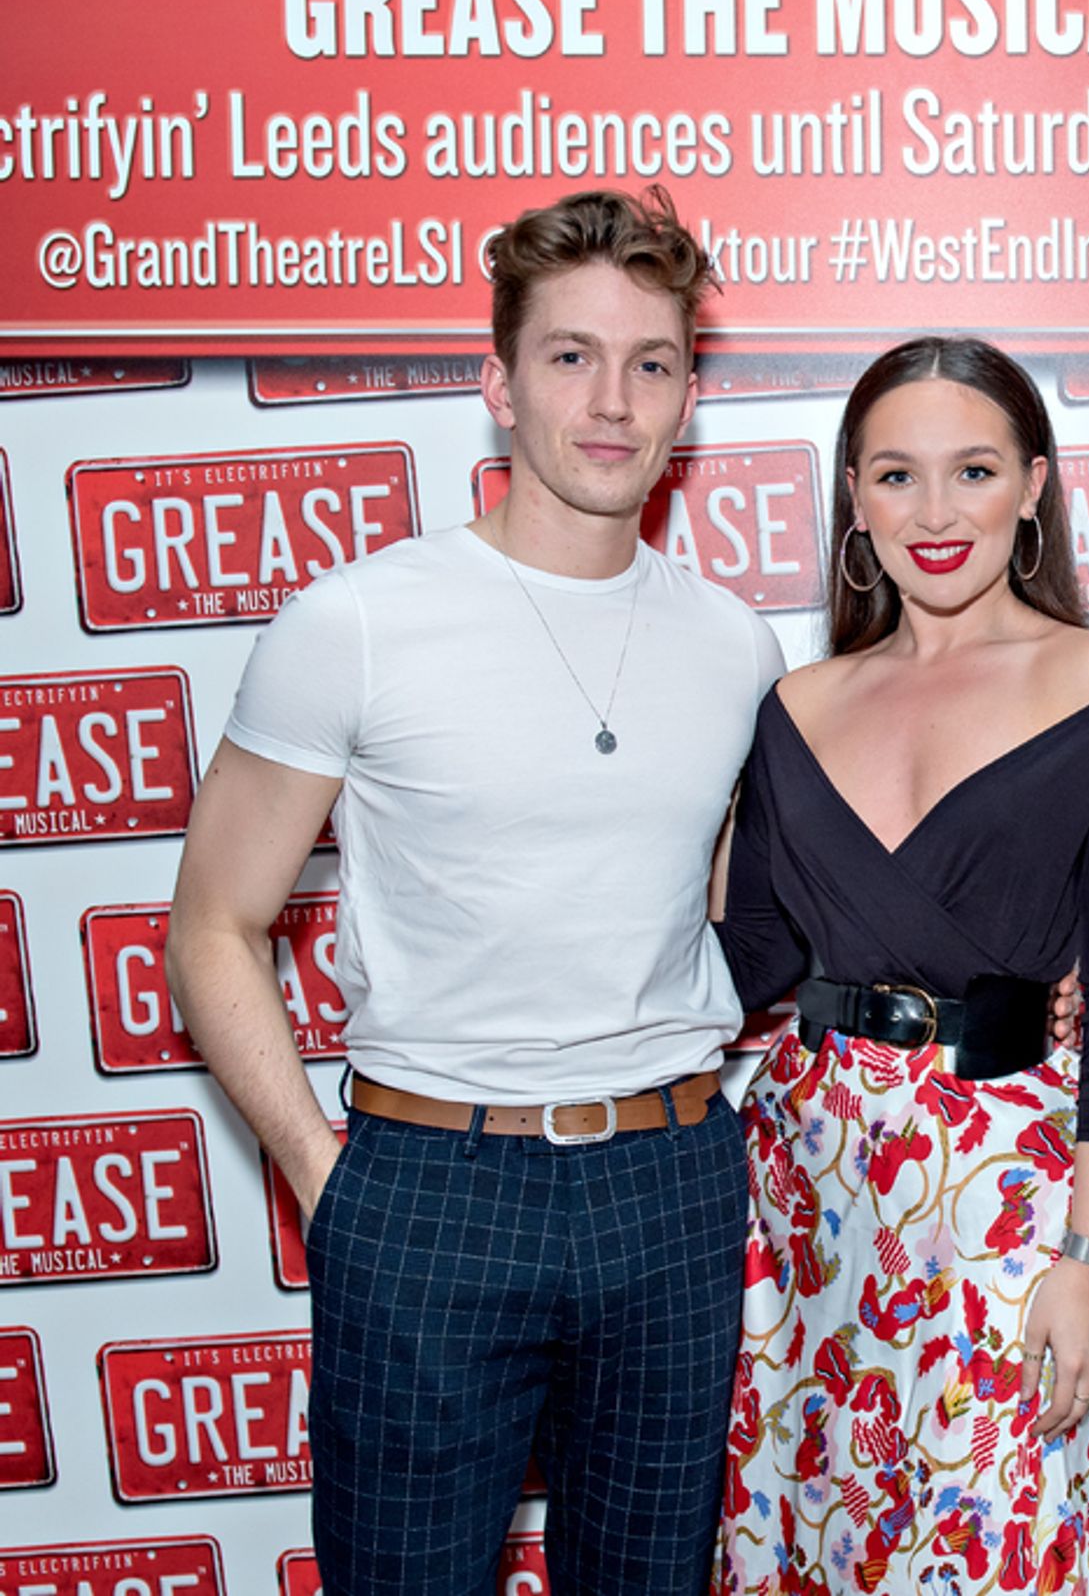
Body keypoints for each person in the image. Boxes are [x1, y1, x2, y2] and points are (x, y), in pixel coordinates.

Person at [164, 187, 787, 1596]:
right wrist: (329, 1183)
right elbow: (212, 923)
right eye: (570, 356)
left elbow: (749, 916)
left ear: (689, 395)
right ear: (498, 384)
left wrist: (1019, 973)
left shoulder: (736, 647)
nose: (612, 401)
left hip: (670, 1182)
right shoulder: (357, 623)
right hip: (432, 1184)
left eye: (651, 362)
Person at [711, 337, 1089, 1596]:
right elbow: (747, 958)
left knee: (1002, 1540)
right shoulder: (794, 706)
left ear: (1031, 485)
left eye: (971, 471)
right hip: (806, 1200)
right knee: (819, 1539)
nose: (933, 514)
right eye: (895, 475)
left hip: (1004, 1201)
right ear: (852, 498)